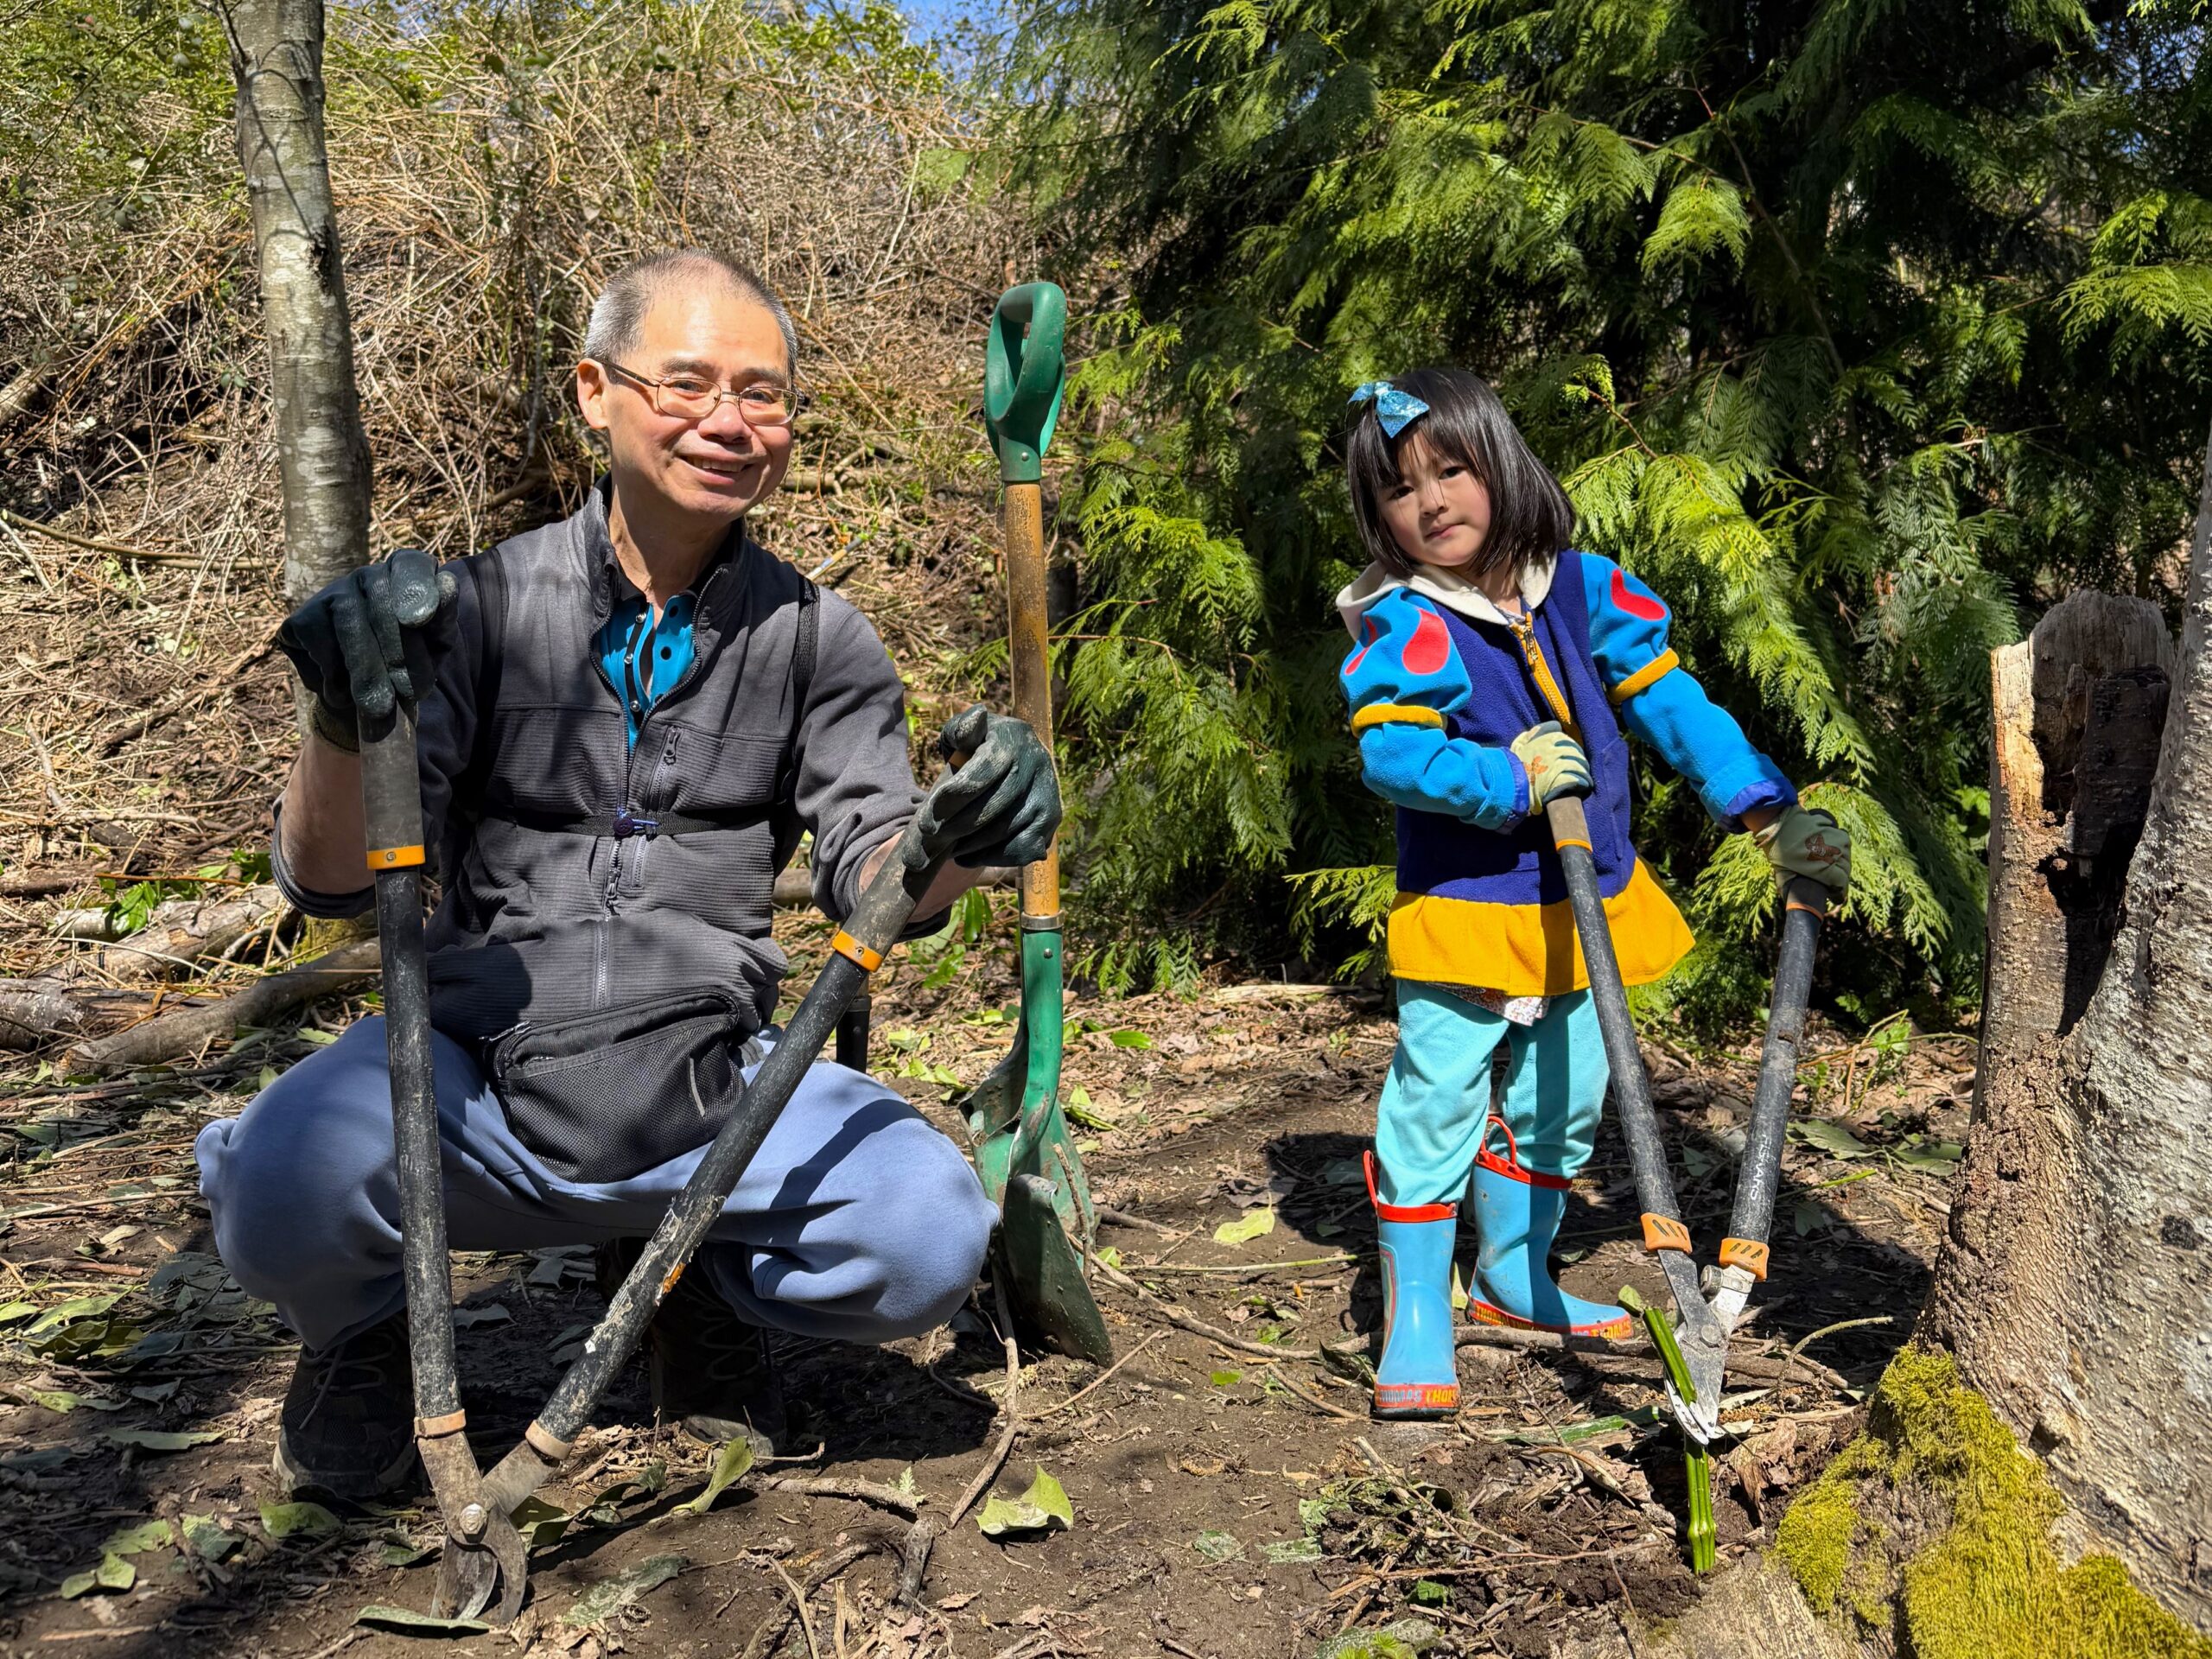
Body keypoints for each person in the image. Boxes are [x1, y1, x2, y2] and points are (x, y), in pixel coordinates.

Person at [196, 249, 1056, 1498]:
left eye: (763, 394)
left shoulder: (820, 640)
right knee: (277, 1178)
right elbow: (329, 884)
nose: (729, 421)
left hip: (715, 1083)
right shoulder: (471, 613)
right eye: (688, 383)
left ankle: (696, 1282)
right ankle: (366, 1338)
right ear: (596, 393)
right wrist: (342, 719)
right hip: (472, 1079)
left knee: (926, 1233)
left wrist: (960, 838)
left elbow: (876, 877)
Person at [1334, 368, 1851, 1420]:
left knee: (1563, 1098)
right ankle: (1416, 1314)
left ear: (1500, 464)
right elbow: (1394, 758)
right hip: (1469, 903)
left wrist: (1764, 811)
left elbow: (1674, 706)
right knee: (1436, 1100)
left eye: (1451, 470)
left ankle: (1512, 1275)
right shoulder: (1409, 623)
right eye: (1399, 488)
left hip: (1586, 906)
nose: (1430, 501)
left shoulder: (1579, 588)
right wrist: (1507, 779)